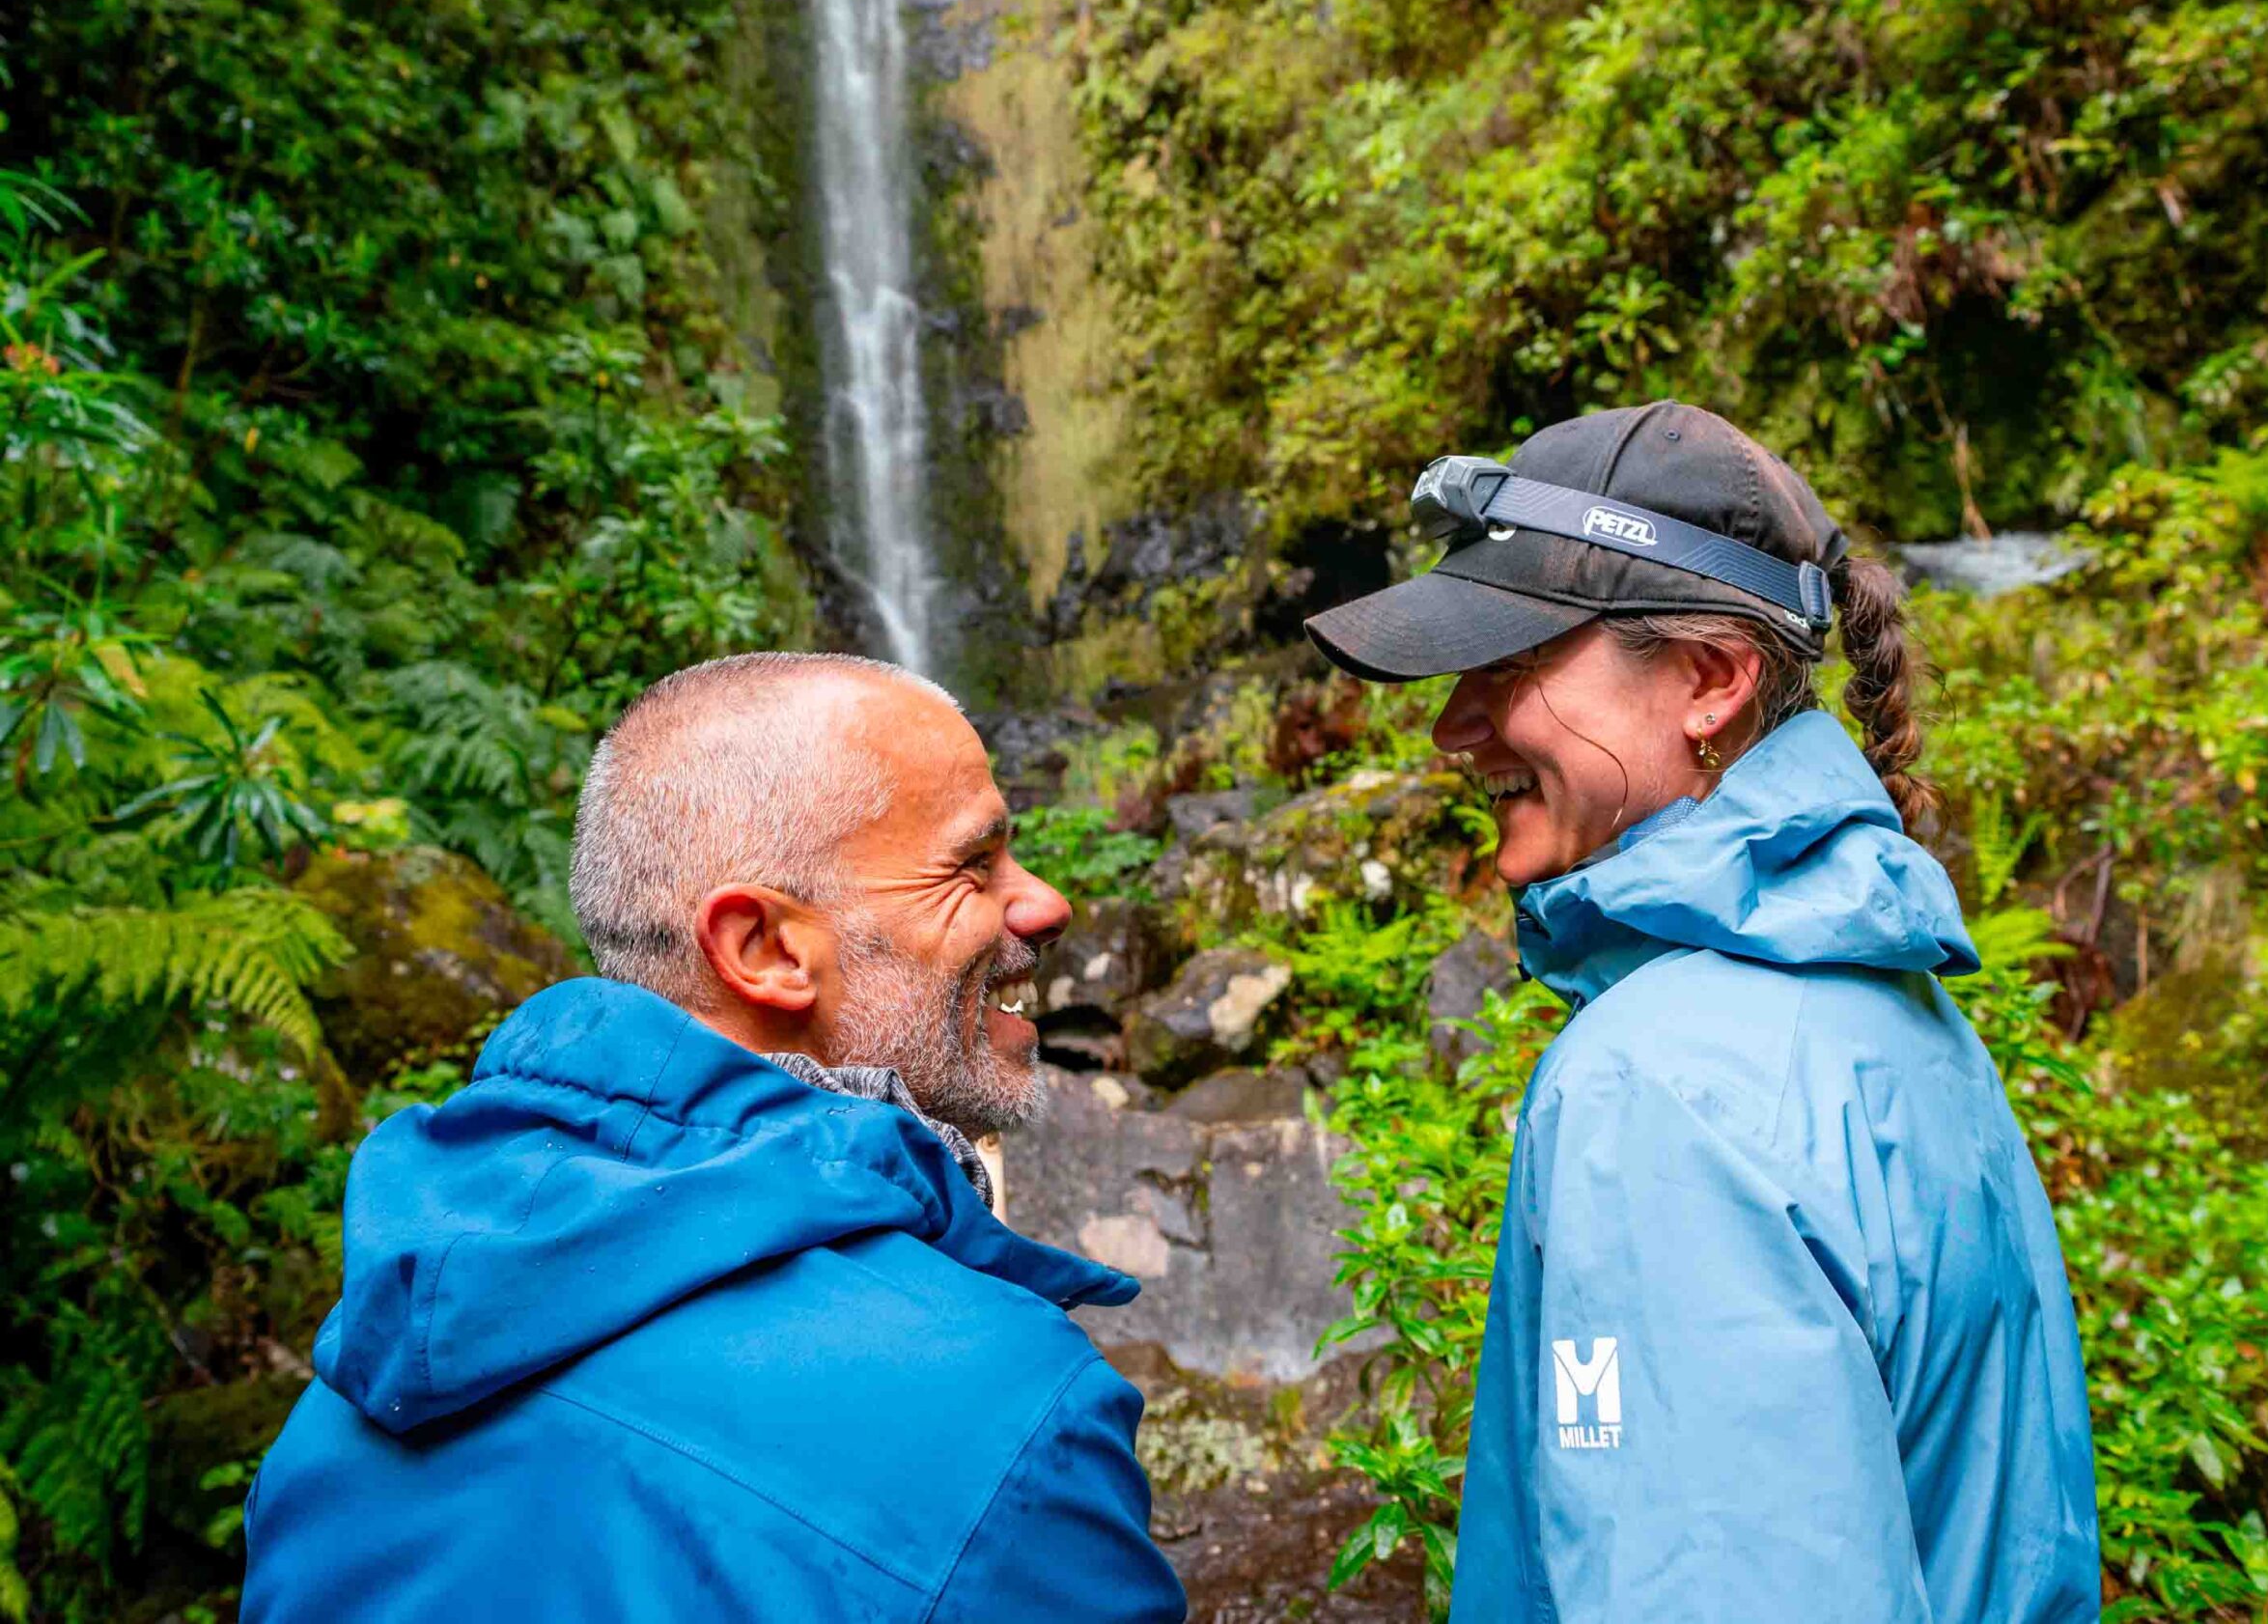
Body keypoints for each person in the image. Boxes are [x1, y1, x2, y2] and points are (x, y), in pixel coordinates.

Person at [1305, 404, 2100, 1622]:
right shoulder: (1898, 1013)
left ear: (1711, 681)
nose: (1450, 727)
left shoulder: (1659, 1086)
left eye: (1508, 662)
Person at [242, 654, 1187, 1623]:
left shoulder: (341, 1410)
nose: (1046, 903)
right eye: (974, 865)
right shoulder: (1011, 1424)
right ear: (765, 949)